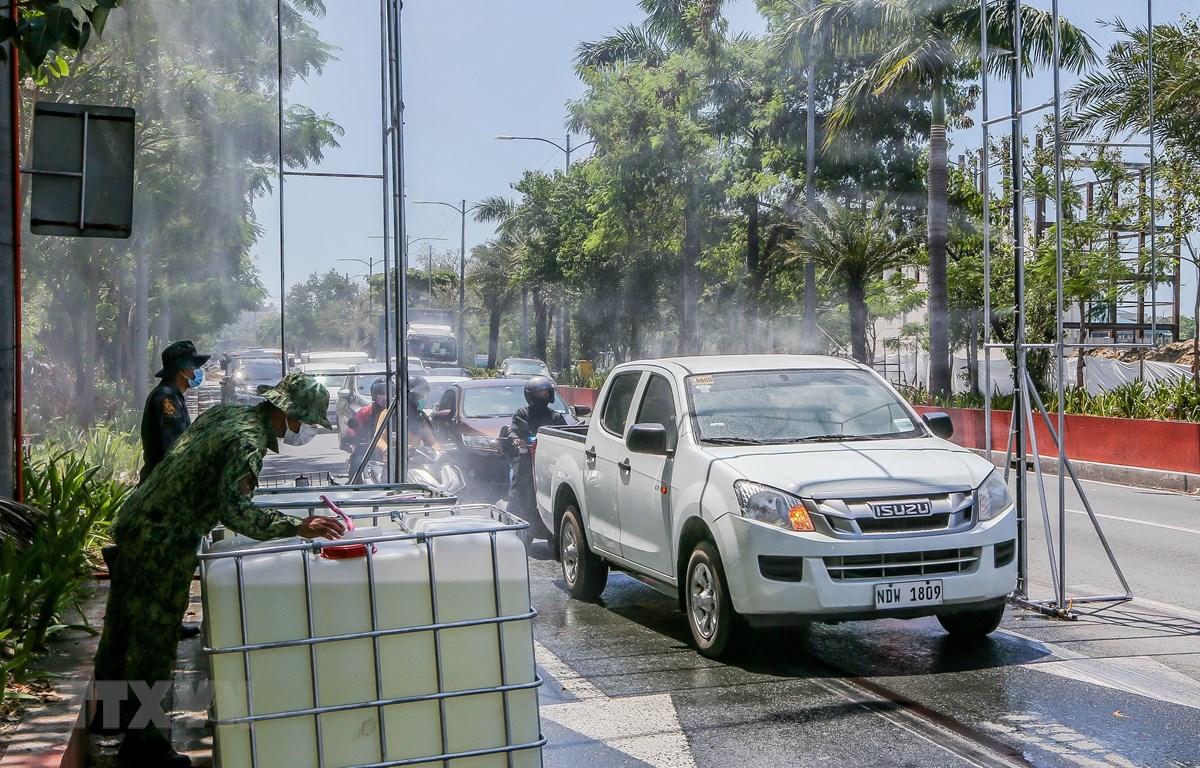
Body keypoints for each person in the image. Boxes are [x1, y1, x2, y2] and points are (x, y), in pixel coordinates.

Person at [91, 371, 346, 768]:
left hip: (137, 519)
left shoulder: (228, 414)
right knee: (153, 642)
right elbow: (234, 509)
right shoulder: (247, 442)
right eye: (306, 423)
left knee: (122, 626)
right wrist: (296, 525)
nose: (305, 431)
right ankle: (145, 746)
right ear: (288, 414)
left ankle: (110, 719)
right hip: (164, 540)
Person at [139, 340, 210, 485]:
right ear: (182, 371)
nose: (195, 372)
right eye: (193, 367)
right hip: (162, 484)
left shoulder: (173, 395)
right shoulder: (167, 398)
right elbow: (174, 446)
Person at [502, 376, 566, 524]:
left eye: (545, 393)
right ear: (530, 395)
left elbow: (563, 433)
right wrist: (517, 440)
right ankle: (513, 516)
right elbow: (513, 431)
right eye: (539, 393)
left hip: (549, 459)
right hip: (527, 457)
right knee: (519, 487)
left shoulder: (555, 416)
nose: (542, 396)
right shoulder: (522, 414)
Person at [344, 378, 390, 472]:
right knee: (358, 466)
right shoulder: (366, 411)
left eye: (388, 392)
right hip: (367, 452)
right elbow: (351, 430)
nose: (385, 396)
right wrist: (354, 437)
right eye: (381, 393)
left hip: (396, 453)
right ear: (374, 395)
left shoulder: (399, 412)